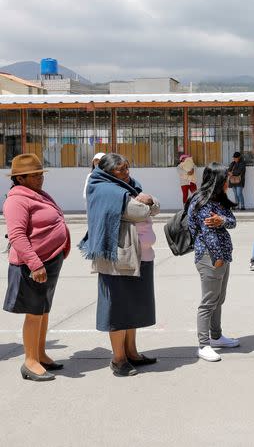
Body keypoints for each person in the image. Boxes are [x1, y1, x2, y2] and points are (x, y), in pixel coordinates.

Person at [80, 153, 160, 377]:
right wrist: (146, 202)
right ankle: (118, 358)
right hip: (117, 259)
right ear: (108, 171)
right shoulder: (105, 189)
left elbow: (153, 205)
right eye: (121, 169)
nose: (127, 173)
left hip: (140, 257)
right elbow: (138, 211)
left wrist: (148, 201)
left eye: (128, 167)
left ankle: (132, 352)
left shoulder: (129, 187)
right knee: (118, 309)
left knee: (134, 307)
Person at [3, 154, 71, 381]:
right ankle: (30, 362)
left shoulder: (36, 193)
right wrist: (35, 264)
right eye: (35, 175)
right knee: (33, 313)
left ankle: (40, 354)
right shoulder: (16, 199)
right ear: (20, 178)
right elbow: (17, 235)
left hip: (48, 261)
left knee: (43, 311)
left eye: (41, 174)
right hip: (32, 266)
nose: (41, 178)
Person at [187, 163, 240, 362]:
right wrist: (217, 257)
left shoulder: (219, 200)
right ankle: (203, 344)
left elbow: (233, 222)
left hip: (222, 255)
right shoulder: (202, 201)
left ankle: (216, 336)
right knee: (208, 302)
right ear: (218, 179)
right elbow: (207, 233)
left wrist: (223, 220)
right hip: (210, 256)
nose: (229, 180)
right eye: (226, 177)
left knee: (219, 298)